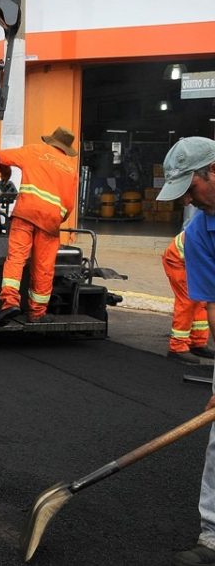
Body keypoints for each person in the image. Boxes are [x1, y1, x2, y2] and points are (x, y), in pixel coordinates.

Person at [155, 136, 215, 566]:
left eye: (190, 189)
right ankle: (212, 536)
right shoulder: (199, 233)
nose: (188, 200)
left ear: (212, 171)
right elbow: (213, 304)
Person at [0, 126, 79, 327]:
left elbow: (2, 156)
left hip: (26, 213)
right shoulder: (70, 169)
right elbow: (68, 204)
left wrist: (4, 174)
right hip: (50, 222)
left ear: (51, 141)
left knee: (16, 258)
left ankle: (9, 303)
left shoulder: (34, 151)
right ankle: (37, 313)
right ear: (66, 149)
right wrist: (57, 219)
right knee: (43, 267)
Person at [163, 229, 214, 364]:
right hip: (178, 260)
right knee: (188, 301)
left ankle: (197, 342)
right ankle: (177, 347)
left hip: (194, 260)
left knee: (202, 300)